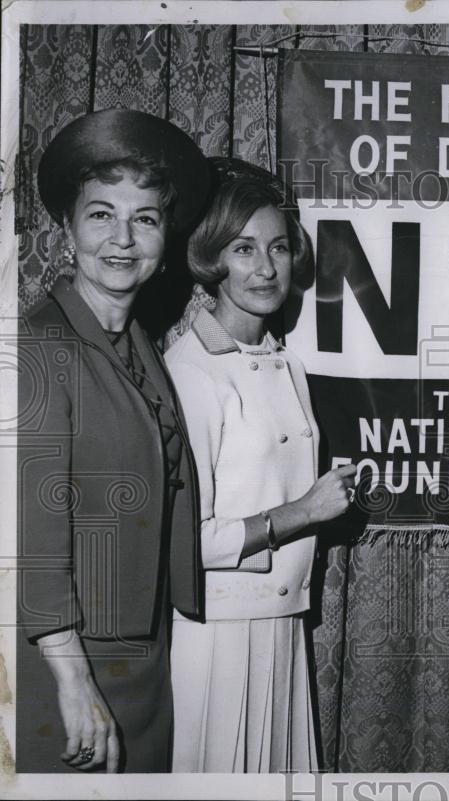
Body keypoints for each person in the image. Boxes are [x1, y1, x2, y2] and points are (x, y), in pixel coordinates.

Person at [17, 109, 210, 772]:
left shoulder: (140, 346)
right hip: (68, 662)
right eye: (101, 215)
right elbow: (32, 531)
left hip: (141, 654)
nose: (123, 239)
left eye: (145, 219)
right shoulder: (40, 345)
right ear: (66, 230)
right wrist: (72, 679)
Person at [166, 158, 357, 772]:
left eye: (277, 247)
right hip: (217, 631)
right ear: (212, 260)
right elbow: (186, 540)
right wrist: (305, 511)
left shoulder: (286, 362)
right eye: (244, 249)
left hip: (282, 619)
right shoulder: (192, 370)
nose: (267, 268)